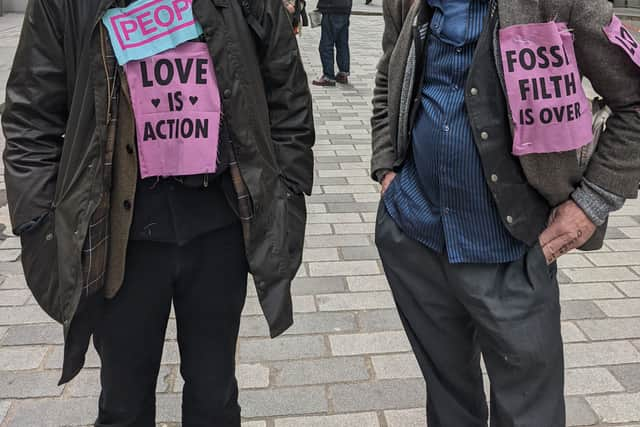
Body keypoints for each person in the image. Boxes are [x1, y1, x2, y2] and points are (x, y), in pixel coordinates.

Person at [2, 0, 314, 425]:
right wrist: (39, 224)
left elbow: (288, 93)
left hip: (219, 230)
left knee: (215, 398)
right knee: (123, 404)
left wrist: (288, 194)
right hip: (115, 238)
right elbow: (29, 118)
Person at [372, 0, 640, 425]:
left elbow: (635, 101)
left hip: (514, 252)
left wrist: (592, 203)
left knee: (530, 411)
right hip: (415, 237)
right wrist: (386, 165)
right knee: (448, 402)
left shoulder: (562, 3)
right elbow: (390, 68)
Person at [312, 0, 352, 86]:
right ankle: (343, 73)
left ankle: (328, 77)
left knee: (326, 45)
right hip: (345, 8)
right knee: (342, 43)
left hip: (331, 8)